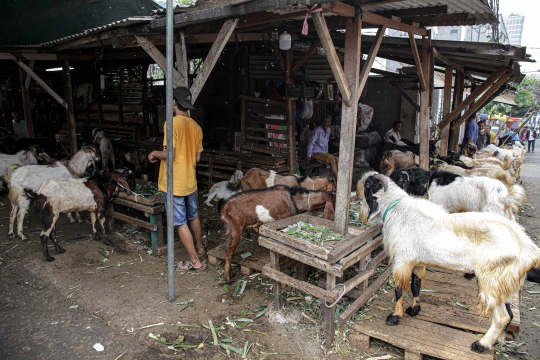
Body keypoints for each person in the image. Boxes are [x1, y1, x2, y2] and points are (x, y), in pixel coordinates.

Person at [148, 87, 205, 272]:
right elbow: (197, 158)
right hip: (190, 180)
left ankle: (195, 262)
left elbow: (170, 154)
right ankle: (200, 248)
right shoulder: (196, 127)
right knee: (193, 215)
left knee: (180, 222)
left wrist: (155, 153)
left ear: (174, 102)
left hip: (174, 183)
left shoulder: (171, 123)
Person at [306, 114, 338, 180]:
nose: (327, 123)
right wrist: (309, 155)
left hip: (323, 152)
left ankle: (329, 180)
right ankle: (338, 180)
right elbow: (311, 142)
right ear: (322, 122)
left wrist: (327, 153)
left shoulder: (328, 130)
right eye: (325, 122)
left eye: (328, 122)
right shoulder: (317, 131)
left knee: (337, 160)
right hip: (316, 153)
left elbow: (326, 143)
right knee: (332, 160)